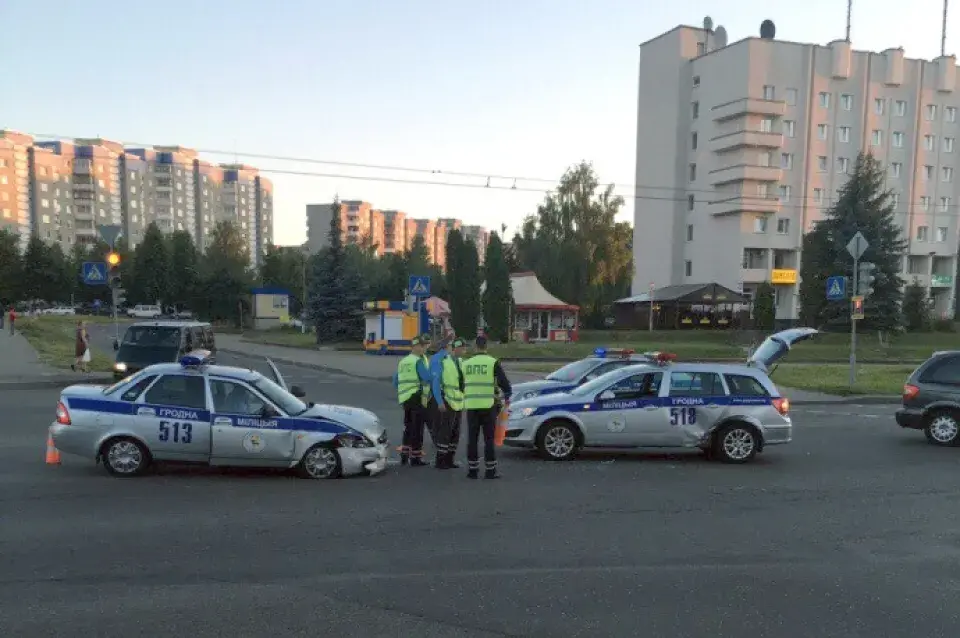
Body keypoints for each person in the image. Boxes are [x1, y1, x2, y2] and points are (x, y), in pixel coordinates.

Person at [462, 335, 512, 479]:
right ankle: (490, 471)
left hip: (471, 406)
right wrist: (506, 396)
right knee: (488, 439)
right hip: (488, 406)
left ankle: (472, 471)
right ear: (486, 347)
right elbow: (505, 384)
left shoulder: (466, 364)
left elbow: (461, 384)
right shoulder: (493, 362)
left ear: (475, 347)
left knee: (472, 439)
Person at [392, 336, 432, 466]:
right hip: (416, 396)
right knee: (417, 427)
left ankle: (404, 455)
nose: (424, 348)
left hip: (405, 397)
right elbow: (426, 377)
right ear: (416, 347)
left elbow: (395, 381)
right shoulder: (418, 361)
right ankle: (415, 457)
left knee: (408, 427)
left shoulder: (403, 361)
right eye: (422, 346)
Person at [432, 337, 467, 469]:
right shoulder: (444, 361)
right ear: (455, 348)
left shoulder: (460, 362)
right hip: (447, 400)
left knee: (455, 433)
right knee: (445, 432)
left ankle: (450, 459)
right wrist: (439, 401)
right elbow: (436, 382)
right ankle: (440, 460)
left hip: (458, 401)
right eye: (462, 348)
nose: (464, 350)